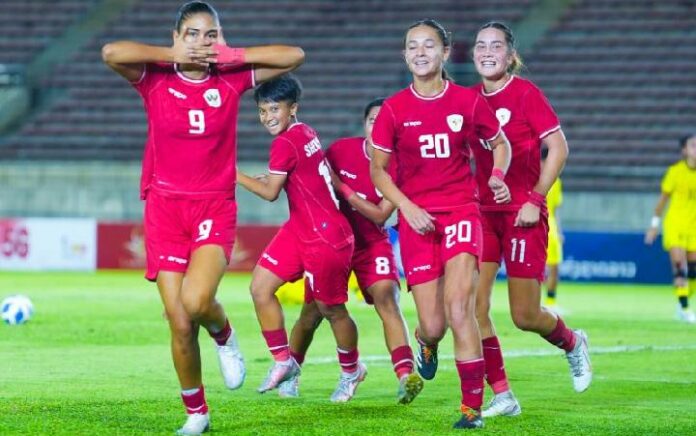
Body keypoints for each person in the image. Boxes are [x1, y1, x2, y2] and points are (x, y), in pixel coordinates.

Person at [101, 2, 304, 434]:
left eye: (210, 34)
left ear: (220, 39)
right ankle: (197, 413)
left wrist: (234, 55)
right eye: (192, 34)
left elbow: (294, 56)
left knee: (195, 303)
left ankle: (224, 333)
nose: (201, 42)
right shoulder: (154, 80)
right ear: (176, 37)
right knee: (178, 322)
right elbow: (111, 52)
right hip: (164, 208)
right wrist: (168, 55)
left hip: (213, 204)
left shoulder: (228, 80)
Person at [370, 19, 513, 429]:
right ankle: (425, 344)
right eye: (412, 46)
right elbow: (378, 170)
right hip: (417, 221)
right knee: (432, 325)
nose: (420, 52)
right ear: (405, 55)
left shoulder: (467, 102)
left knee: (459, 308)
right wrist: (406, 207)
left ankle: (471, 409)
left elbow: (500, 144)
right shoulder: (394, 109)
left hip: (462, 213)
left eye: (428, 45)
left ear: (445, 53)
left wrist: (497, 176)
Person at [469, 21, 592, 419]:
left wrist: (535, 198)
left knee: (524, 317)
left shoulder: (525, 94)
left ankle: (572, 342)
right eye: (480, 45)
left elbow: (558, 147)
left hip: (522, 214)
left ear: (510, 55)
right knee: (473, 307)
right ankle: (502, 394)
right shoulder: (468, 100)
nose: (487, 51)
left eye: (496, 46)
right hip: (482, 215)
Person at [275, 98, 424, 404]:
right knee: (311, 314)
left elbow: (381, 214)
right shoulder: (341, 150)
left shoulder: (401, 166)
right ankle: (291, 373)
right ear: (365, 124)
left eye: (384, 122)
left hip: (371, 244)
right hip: (333, 246)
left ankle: (405, 376)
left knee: (387, 297)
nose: (378, 126)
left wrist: (342, 187)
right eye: (373, 121)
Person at [237, 74, 367, 403]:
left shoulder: (284, 142)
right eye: (262, 110)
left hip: (327, 238)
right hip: (301, 229)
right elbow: (298, 176)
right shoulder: (304, 131)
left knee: (330, 310)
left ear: (292, 108)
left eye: (274, 109)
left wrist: (233, 174)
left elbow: (269, 193)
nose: (267, 117)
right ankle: (284, 361)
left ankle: (352, 371)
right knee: (260, 287)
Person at [645, 133, 696, 323]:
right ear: (684, 150)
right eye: (693, 145)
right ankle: (685, 308)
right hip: (675, 224)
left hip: (694, 228)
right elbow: (662, 201)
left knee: (693, 271)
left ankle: (682, 300)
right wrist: (653, 226)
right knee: (679, 266)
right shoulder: (675, 172)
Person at [543, 148, 564, 311]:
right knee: (535, 266)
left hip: (551, 226)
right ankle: (533, 302)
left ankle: (550, 302)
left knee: (554, 265)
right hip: (535, 223)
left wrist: (560, 230)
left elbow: (555, 209)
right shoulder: (531, 176)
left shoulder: (556, 181)